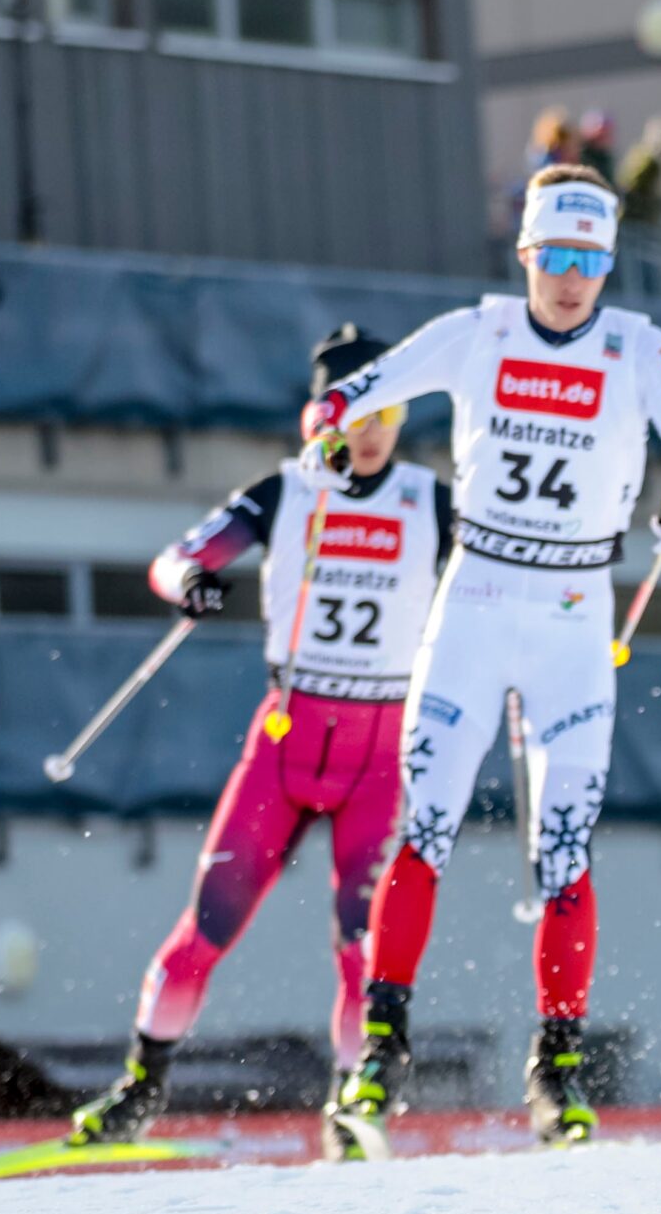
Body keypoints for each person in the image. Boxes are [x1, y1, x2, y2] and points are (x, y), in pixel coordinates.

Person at [304, 166, 661, 1152]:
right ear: (526, 254)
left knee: (566, 849)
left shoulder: (637, 346)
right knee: (425, 829)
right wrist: (330, 435)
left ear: (608, 263)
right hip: (478, 601)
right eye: (557, 258)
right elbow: (352, 398)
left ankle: (558, 1069)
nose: (573, 280)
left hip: (576, 615)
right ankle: (381, 1054)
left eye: (592, 261)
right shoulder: (480, 331)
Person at [68, 326, 449, 1157]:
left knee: (363, 938)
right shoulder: (287, 492)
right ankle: (142, 1085)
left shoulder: (431, 502)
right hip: (287, 739)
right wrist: (195, 580)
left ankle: (353, 1101)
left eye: (388, 408)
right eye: (355, 411)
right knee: (209, 923)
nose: (373, 428)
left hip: (380, 752)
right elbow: (176, 561)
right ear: (323, 416)